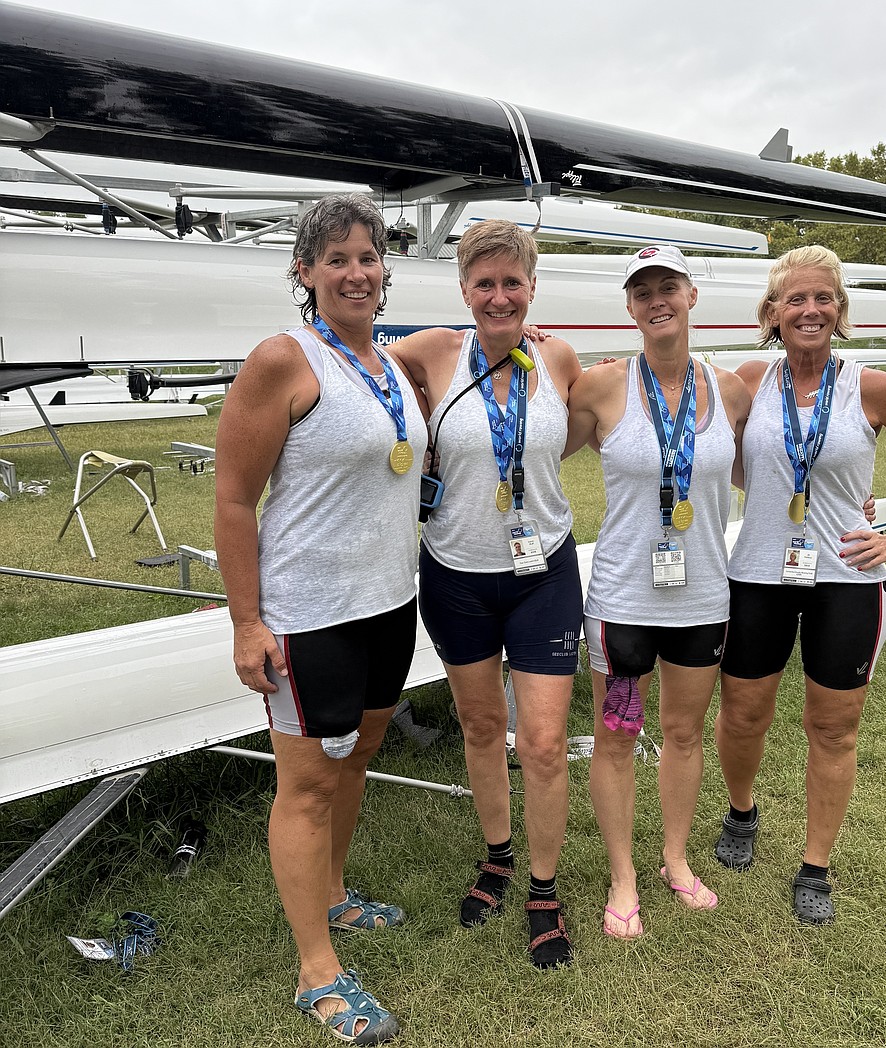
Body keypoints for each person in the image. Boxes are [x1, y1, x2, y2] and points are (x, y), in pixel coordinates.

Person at [712, 245, 886, 926]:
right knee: (743, 715)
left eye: (824, 297)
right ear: (772, 313)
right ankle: (741, 812)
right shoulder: (749, 381)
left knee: (832, 729)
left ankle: (815, 865)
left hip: (846, 579)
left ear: (840, 310)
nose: (810, 310)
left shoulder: (872, 387)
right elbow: (701, 432)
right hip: (758, 575)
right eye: (795, 299)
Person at [215, 193, 426, 1045]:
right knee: (306, 786)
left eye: (367, 257)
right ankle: (316, 973)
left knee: (357, 757)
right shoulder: (283, 359)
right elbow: (234, 498)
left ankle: (335, 896)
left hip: (389, 604)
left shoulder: (388, 362)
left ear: (385, 268)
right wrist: (246, 621)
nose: (355, 273)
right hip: (310, 617)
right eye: (336, 258)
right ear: (304, 271)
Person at [387, 220, 583, 968]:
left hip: (544, 575)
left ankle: (543, 887)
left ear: (532, 288)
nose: (500, 297)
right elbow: (362, 364)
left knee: (542, 743)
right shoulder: (435, 350)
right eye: (485, 283)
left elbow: (592, 430)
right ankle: (497, 855)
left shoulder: (558, 357)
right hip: (455, 574)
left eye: (513, 283)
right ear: (464, 289)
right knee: (479, 726)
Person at [566, 245, 752, 938]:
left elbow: (763, 472)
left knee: (683, 732)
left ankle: (675, 858)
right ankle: (623, 875)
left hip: (703, 596)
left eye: (667, 286)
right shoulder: (601, 387)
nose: (656, 300)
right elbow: (537, 447)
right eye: (642, 291)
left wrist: (848, 503)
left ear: (690, 295)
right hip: (622, 601)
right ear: (630, 307)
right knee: (617, 735)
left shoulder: (731, 391)